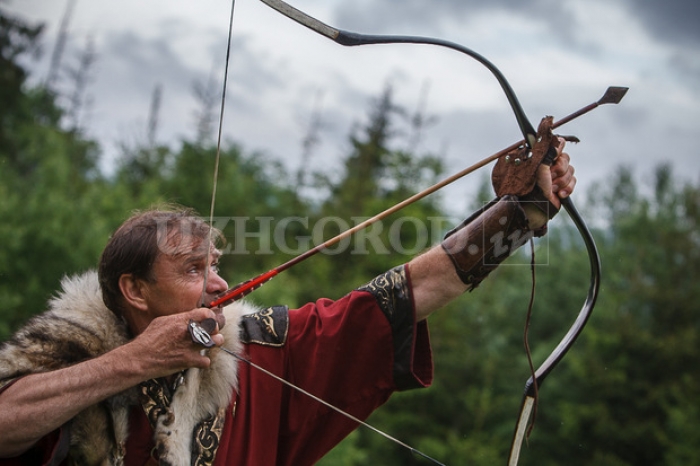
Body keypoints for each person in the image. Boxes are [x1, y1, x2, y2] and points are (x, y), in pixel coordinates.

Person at [0, 138, 576, 465]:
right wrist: (135, 361)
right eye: (192, 269)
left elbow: (409, 292)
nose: (219, 285)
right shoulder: (67, 349)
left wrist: (517, 215)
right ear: (135, 290)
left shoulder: (256, 349)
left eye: (217, 266)